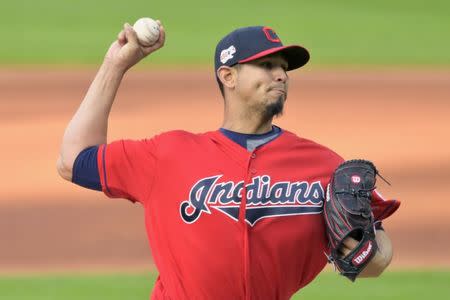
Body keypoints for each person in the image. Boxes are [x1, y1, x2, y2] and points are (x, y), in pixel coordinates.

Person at [57, 22, 397, 299]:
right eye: (266, 65)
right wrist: (115, 65)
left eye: (283, 68)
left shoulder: (322, 165)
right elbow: (73, 159)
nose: (280, 75)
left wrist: (359, 246)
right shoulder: (168, 154)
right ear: (228, 76)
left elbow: (375, 259)